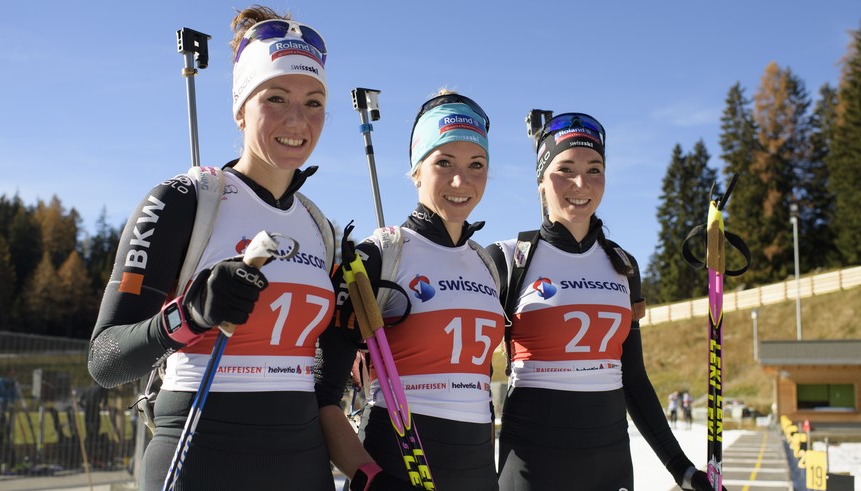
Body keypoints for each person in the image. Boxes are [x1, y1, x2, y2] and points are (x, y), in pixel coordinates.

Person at [88, 6, 336, 490]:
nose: (296, 118)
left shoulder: (317, 225)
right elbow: (105, 360)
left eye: (314, 102)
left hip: (302, 459)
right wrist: (189, 316)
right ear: (241, 108)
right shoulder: (186, 199)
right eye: (276, 97)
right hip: (200, 453)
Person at [486, 111, 723, 490]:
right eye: (565, 169)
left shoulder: (622, 264)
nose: (581, 183)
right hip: (532, 464)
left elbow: (633, 380)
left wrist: (681, 469)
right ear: (541, 181)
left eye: (594, 169)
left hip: (611, 465)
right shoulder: (507, 259)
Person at [315, 91, 504, 490]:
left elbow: (480, 383)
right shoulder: (379, 255)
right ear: (416, 170)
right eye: (444, 162)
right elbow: (322, 396)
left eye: (476, 164)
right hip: (396, 464)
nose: (461, 181)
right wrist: (370, 479)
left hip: (477, 473)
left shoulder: (486, 265)